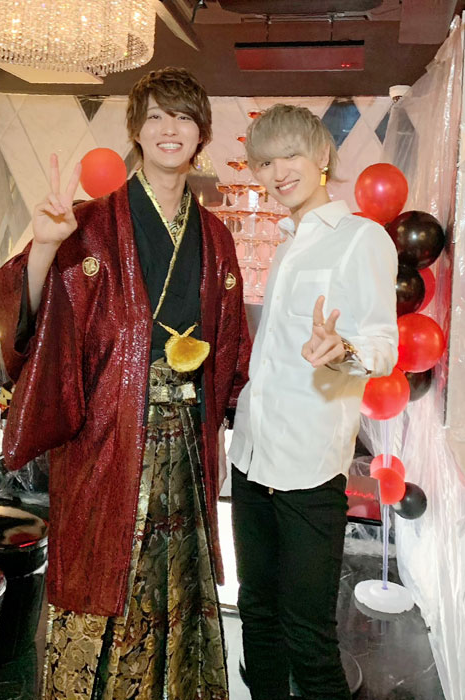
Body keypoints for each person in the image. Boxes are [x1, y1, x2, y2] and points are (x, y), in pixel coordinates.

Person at [0, 67, 250, 700]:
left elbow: (231, 346)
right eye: (155, 116)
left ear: (201, 133)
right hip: (107, 435)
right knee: (102, 572)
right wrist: (44, 249)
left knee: (176, 577)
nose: (169, 129)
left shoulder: (216, 236)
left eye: (183, 117)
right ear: (136, 130)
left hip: (186, 440)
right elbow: (32, 323)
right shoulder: (89, 222)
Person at [228, 104, 398, 700]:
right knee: (257, 614)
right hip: (251, 459)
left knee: (308, 636)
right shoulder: (286, 243)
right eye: (264, 163)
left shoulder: (361, 239)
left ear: (322, 155)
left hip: (307, 471)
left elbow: (382, 346)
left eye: (290, 155)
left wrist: (342, 349)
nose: (277, 173)